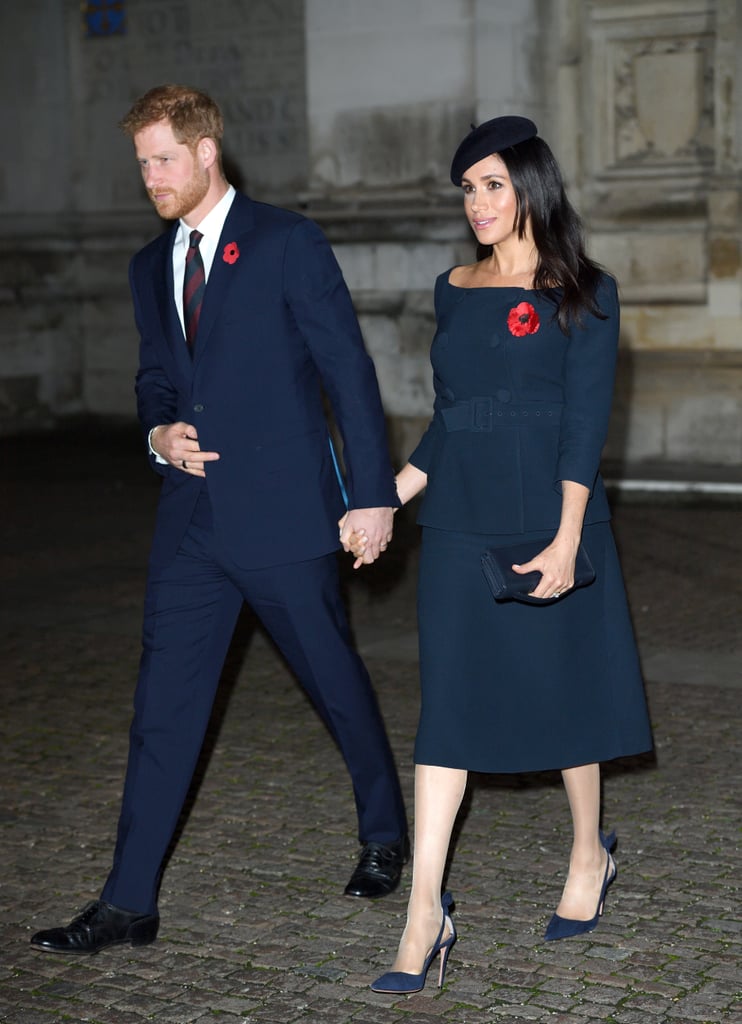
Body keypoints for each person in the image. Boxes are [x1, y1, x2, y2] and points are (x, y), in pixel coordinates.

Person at [30, 84, 409, 956]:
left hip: (284, 518)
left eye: (163, 159)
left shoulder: (285, 242)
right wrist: (159, 429)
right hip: (192, 524)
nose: (151, 178)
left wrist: (373, 495)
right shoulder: (146, 267)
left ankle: (384, 832)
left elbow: (347, 372)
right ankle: (128, 903)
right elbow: (156, 379)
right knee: (162, 709)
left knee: (333, 682)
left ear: (207, 153)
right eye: (142, 164)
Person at [344, 116, 653, 994]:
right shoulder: (453, 287)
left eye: (492, 186)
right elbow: (451, 420)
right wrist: (387, 500)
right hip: (460, 526)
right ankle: (424, 912)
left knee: (565, 697)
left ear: (530, 187)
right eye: (468, 190)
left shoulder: (585, 290)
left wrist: (565, 538)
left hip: (553, 518)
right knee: (448, 710)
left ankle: (589, 853)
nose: (478, 204)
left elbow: (585, 425)